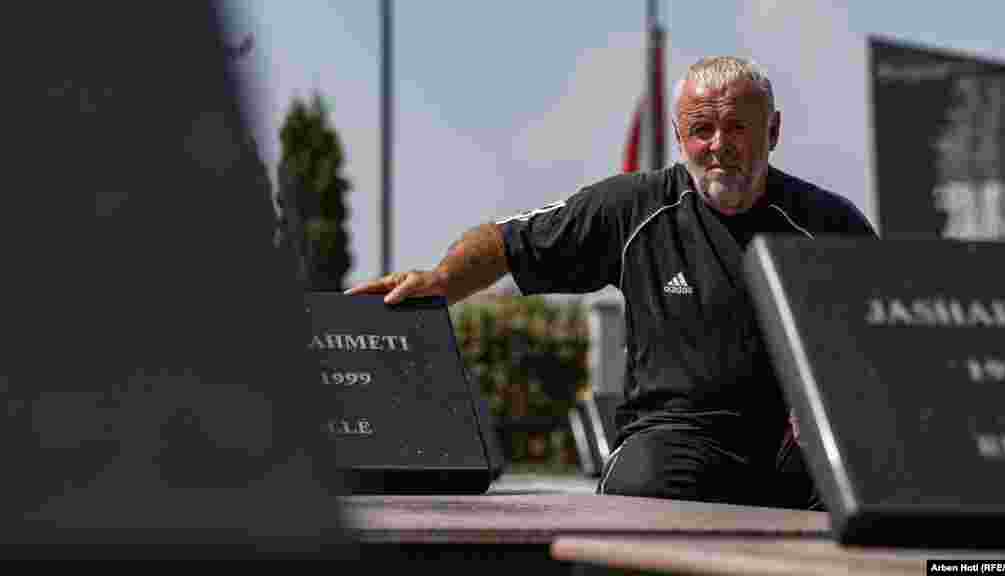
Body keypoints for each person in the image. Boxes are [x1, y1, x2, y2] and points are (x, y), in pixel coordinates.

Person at [347, 56, 876, 509]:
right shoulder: (633, 208)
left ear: (774, 131)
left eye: (738, 127)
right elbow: (507, 243)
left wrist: (842, 398)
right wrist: (441, 281)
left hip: (794, 444)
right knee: (641, 486)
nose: (720, 145)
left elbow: (891, 336)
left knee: (867, 473)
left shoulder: (831, 225)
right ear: (679, 137)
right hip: (675, 437)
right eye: (702, 130)